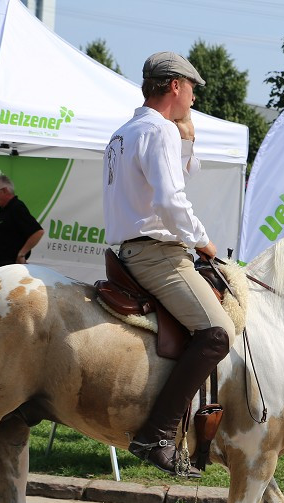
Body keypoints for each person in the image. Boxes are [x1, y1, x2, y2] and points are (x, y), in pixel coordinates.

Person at [101, 51, 236, 477]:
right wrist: (204, 242)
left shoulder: (124, 132)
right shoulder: (157, 130)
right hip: (158, 254)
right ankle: (158, 433)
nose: (194, 98)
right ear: (175, 86)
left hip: (129, 251)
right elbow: (171, 200)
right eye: (192, 89)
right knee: (218, 333)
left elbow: (171, 179)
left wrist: (188, 139)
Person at [0, 175, 43, 268]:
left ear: (4, 190)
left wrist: (21, 254)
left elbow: (38, 232)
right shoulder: (4, 209)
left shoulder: (16, 207)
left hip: (9, 267)